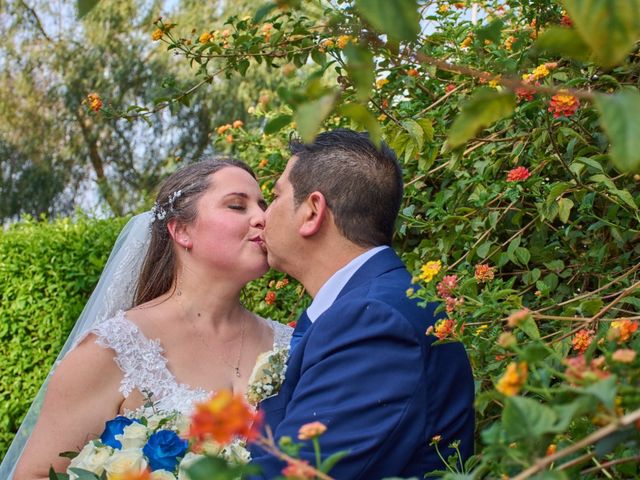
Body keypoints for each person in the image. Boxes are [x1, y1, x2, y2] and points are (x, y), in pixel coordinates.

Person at [6, 159, 292, 480]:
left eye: (263, 205)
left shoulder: (289, 345)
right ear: (182, 230)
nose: (262, 218)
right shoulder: (115, 348)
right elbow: (34, 475)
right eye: (238, 206)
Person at [250, 129, 475, 479]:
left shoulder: (374, 322)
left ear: (312, 212)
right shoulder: (363, 307)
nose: (262, 217)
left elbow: (295, 472)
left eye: (276, 197)